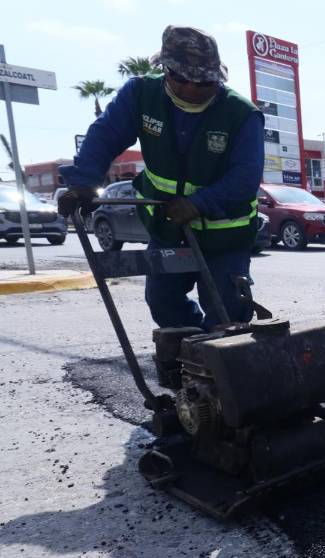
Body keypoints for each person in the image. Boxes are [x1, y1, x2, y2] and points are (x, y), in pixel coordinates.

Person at [58, 26, 265, 330]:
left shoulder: (241, 114)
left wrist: (199, 203)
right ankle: (191, 360)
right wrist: (85, 180)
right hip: (169, 228)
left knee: (229, 312)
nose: (193, 89)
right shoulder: (142, 95)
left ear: (216, 77)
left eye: (204, 82)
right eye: (182, 79)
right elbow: (105, 134)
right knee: (162, 301)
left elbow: (246, 177)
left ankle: (221, 367)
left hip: (226, 236)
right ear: (166, 70)